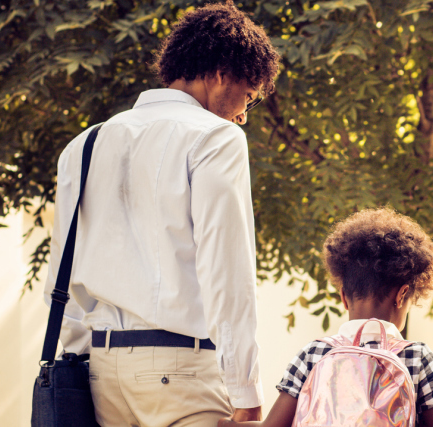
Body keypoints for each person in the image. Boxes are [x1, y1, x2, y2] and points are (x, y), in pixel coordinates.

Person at [43, 2, 279, 425]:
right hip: (182, 372)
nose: (243, 114)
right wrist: (245, 389)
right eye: (247, 96)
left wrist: (77, 365)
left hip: (101, 376)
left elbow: (63, 272)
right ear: (221, 73)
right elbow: (226, 272)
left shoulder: (84, 145)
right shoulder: (215, 138)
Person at [220, 208, 433, 427]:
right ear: (403, 294)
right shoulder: (417, 357)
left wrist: (226, 424)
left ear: (343, 296)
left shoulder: (313, 353)